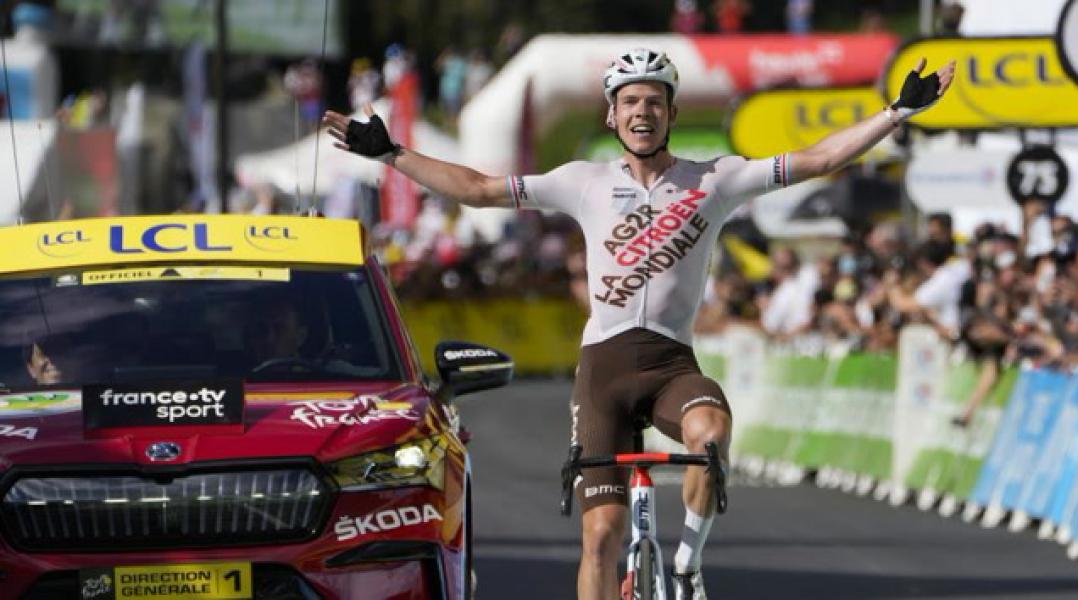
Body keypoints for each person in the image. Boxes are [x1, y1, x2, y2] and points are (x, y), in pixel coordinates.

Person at [324, 48, 955, 600]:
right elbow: (481, 188)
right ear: (611, 114)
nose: (642, 111)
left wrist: (896, 113)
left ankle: (685, 565)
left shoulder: (716, 179)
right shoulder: (583, 182)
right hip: (603, 370)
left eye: (655, 100)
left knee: (711, 437)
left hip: (672, 364)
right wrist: (393, 153)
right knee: (600, 536)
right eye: (629, 101)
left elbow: (817, 159)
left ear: (673, 114)